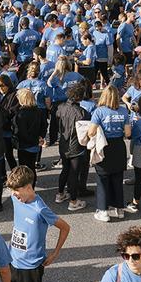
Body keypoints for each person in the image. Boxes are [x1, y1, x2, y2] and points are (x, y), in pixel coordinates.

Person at [6, 165, 70, 282]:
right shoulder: (15, 198)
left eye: (16, 191)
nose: (13, 194)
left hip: (31, 267)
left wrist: (54, 254)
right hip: (13, 261)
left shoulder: (40, 210)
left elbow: (65, 228)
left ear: (28, 187)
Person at [87, 86, 130, 222]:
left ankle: (103, 211)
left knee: (102, 179)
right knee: (117, 178)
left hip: (104, 146)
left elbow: (91, 132)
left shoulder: (99, 112)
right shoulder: (123, 111)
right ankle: (119, 209)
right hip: (118, 146)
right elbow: (128, 133)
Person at [54, 83, 89, 211]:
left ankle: (60, 193)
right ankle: (73, 201)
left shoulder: (60, 108)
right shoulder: (82, 113)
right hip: (76, 146)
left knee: (65, 169)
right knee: (74, 173)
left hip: (63, 144)